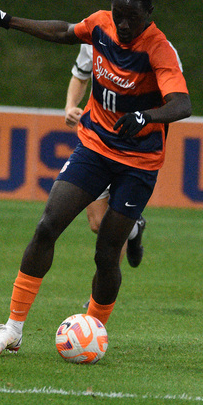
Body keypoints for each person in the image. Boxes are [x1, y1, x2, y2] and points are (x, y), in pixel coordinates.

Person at [0, 0, 192, 356]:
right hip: (95, 147)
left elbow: (182, 105)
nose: (122, 24)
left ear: (149, 14)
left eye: (131, 17)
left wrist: (146, 117)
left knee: (106, 251)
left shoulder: (159, 49)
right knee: (47, 226)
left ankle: (93, 331)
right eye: (118, 14)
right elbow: (63, 32)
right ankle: (13, 329)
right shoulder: (101, 24)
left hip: (138, 163)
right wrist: (9, 20)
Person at [65, 43, 146, 270]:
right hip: (96, 144)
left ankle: (98, 300)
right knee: (98, 223)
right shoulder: (93, 39)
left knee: (112, 229)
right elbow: (80, 76)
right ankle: (134, 227)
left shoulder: (153, 47)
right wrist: (70, 106)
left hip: (133, 150)